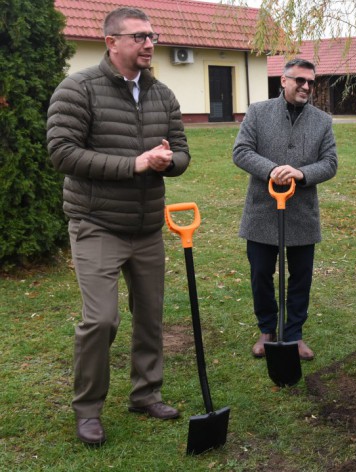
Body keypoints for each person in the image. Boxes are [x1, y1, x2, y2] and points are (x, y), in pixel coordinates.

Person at [46, 7, 190, 446]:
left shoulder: (163, 94)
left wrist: (168, 161)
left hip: (146, 227)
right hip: (97, 224)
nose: (150, 44)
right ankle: (87, 410)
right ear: (111, 42)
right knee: (101, 320)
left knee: (150, 316)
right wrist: (135, 163)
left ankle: (146, 393)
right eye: (139, 37)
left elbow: (182, 152)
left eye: (153, 35)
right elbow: (63, 153)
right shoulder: (78, 89)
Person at [233, 58, 338, 362]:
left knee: (301, 276)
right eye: (300, 81)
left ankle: (294, 334)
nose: (306, 87)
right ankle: (267, 331)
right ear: (283, 80)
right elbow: (241, 151)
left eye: (311, 82)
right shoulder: (258, 112)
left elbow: (330, 163)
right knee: (261, 273)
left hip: (302, 212)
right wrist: (273, 170)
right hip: (262, 211)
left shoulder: (322, 121)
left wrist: (301, 174)